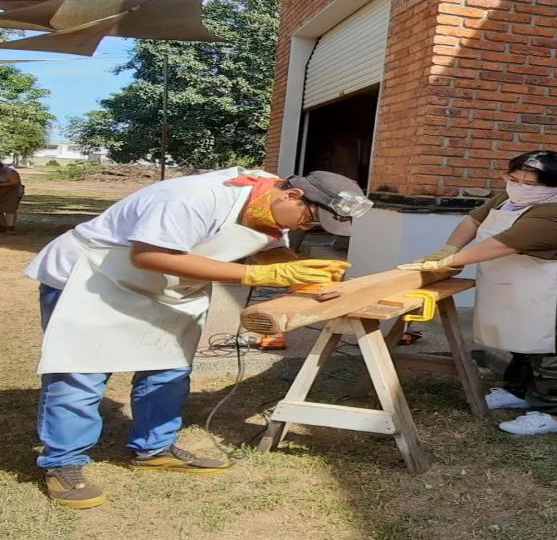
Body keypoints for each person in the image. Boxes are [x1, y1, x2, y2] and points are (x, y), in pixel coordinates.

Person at [24, 168, 372, 509]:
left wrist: (303, 277)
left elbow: (269, 247)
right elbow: (148, 255)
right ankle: (63, 462)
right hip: (93, 277)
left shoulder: (269, 202)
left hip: (165, 288)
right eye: (309, 220)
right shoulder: (194, 198)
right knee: (82, 371)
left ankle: (154, 449)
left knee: (168, 367)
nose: (303, 228)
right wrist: (258, 274)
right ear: (293, 194)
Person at [399, 151, 557, 436]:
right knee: (523, 338)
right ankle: (518, 391)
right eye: (514, 179)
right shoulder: (510, 199)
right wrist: (449, 248)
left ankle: (554, 412)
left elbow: (503, 244)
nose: (520, 186)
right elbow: (473, 221)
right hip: (527, 282)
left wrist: (449, 262)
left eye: (531, 183)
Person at [0, 161, 24, 233]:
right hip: (2, 192)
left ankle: (10, 227)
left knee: (10, 210)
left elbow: (16, 182)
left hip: (12, 193)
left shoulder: (10, 172)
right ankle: (2, 226)